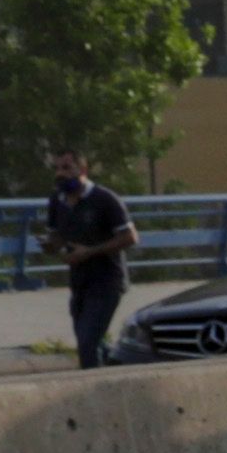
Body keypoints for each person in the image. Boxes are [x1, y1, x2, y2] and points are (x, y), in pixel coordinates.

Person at [37, 147, 138, 370]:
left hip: (107, 281)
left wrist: (89, 251)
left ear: (82, 169)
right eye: (57, 168)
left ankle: (93, 392)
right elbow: (56, 236)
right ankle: (117, 369)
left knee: (87, 343)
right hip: (80, 281)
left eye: (66, 168)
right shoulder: (57, 200)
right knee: (91, 342)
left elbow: (130, 237)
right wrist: (52, 246)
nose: (60, 174)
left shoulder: (104, 199)